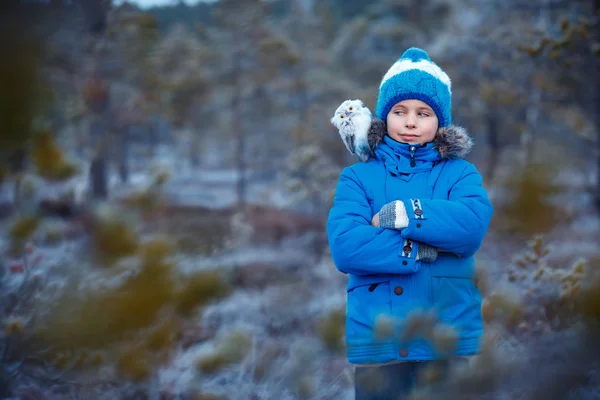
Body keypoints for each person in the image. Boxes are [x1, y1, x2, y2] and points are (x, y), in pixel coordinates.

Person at [326, 47, 494, 399]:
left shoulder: (460, 173)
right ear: (384, 116)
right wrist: (422, 248)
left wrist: (403, 212)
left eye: (424, 112)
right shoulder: (358, 177)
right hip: (379, 338)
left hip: (444, 335)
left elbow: (470, 226)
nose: (411, 121)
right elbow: (346, 245)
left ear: (440, 120)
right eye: (399, 111)